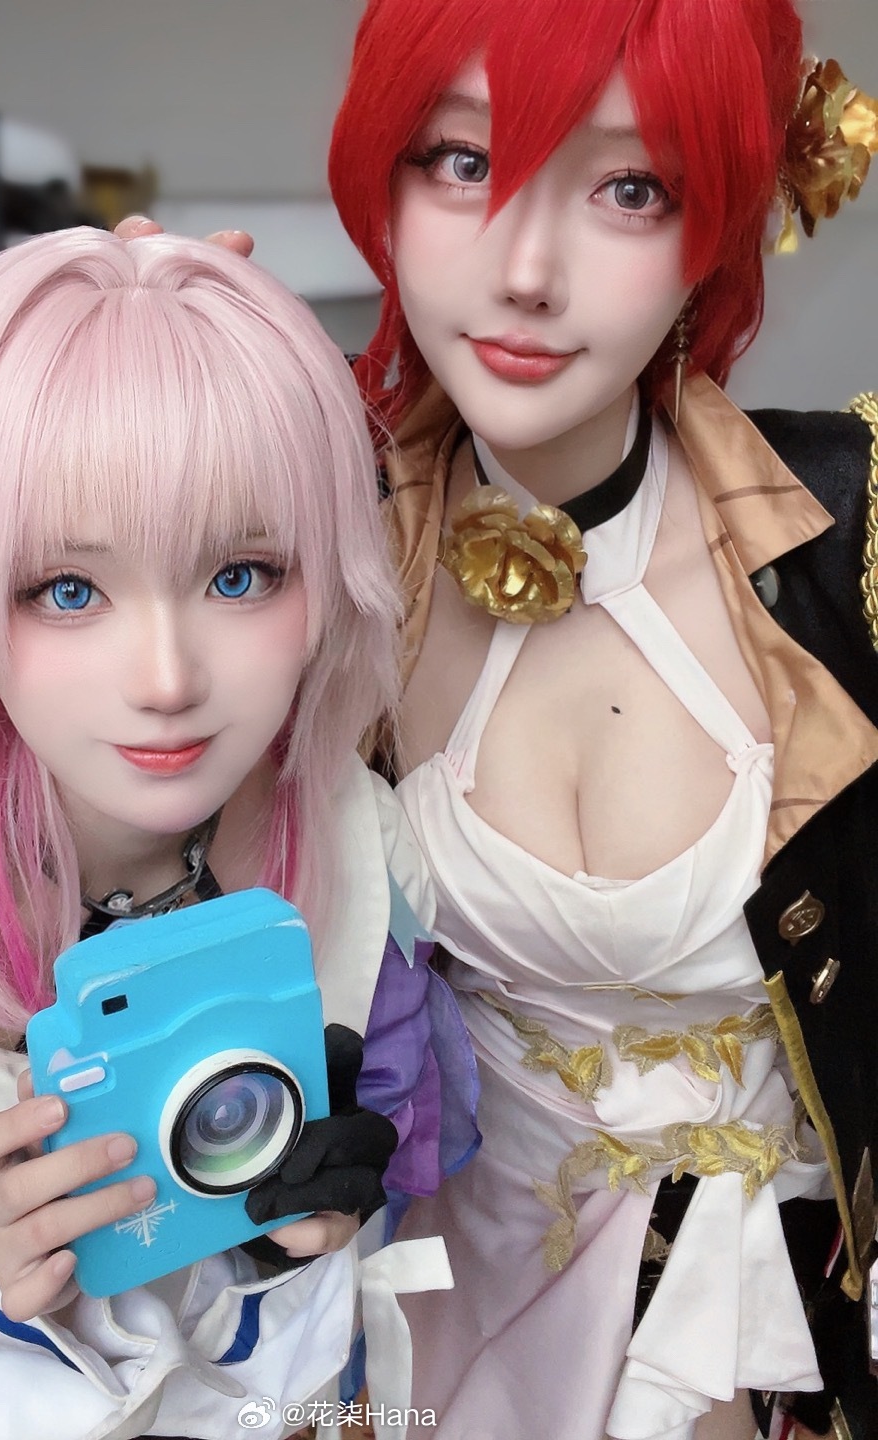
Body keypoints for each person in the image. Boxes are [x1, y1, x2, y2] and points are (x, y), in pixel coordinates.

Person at [0, 228, 476, 1440]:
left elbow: (374, 1337)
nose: (167, 681)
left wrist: (307, 1246)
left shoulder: (358, 848)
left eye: (241, 575)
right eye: (67, 590)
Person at [323, 1, 878, 1437]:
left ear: (717, 226)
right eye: (462, 161)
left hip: (772, 1346)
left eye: (628, 187)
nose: (524, 271)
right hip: (435, 1338)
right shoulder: (307, 556)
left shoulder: (854, 541)